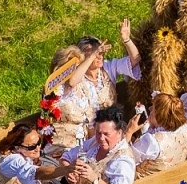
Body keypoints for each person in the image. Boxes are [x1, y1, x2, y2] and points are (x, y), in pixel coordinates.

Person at [48, 20, 143, 154]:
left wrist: (126, 39)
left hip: (110, 132)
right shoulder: (77, 77)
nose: (99, 56)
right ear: (82, 58)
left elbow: (135, 59)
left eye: (100, 52)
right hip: (86, 137)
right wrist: (92, 56)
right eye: (92, 53)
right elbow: (72, 82)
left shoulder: (108, 68)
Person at [55, 106, 139, 184]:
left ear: (119, 133)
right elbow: (66, 157)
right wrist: (69, 171)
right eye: (98, 133)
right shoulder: (95, 142)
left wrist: (94, 178)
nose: (101, 138)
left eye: (106, 134)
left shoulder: (123, 160)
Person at [131, 92, 187, 175]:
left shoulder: (151, 142)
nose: (150, 109)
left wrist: (129, 132)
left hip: (145, 182)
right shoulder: (183, 128)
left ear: (159, 115)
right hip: (174, 176)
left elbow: (126, 159)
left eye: (153, 108)